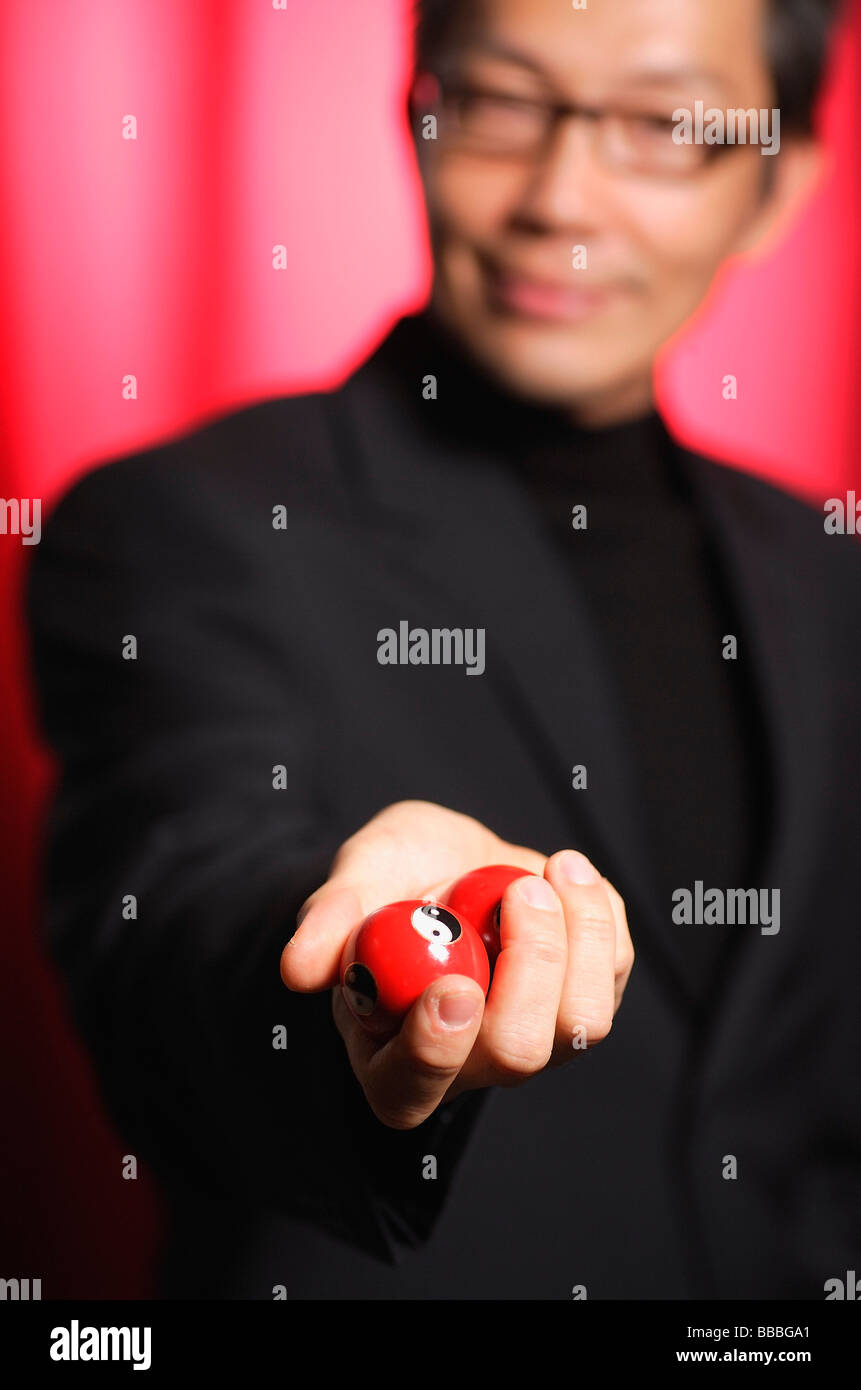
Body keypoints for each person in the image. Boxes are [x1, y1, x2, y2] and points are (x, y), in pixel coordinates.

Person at [27, 0, 859, 1300]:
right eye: (503, 101)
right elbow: (177, 906)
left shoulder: (833, 574)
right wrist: (361, 974)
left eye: (662, 124)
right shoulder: (190, 519)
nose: (560, 194)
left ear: (775, 180)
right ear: (414, 112)